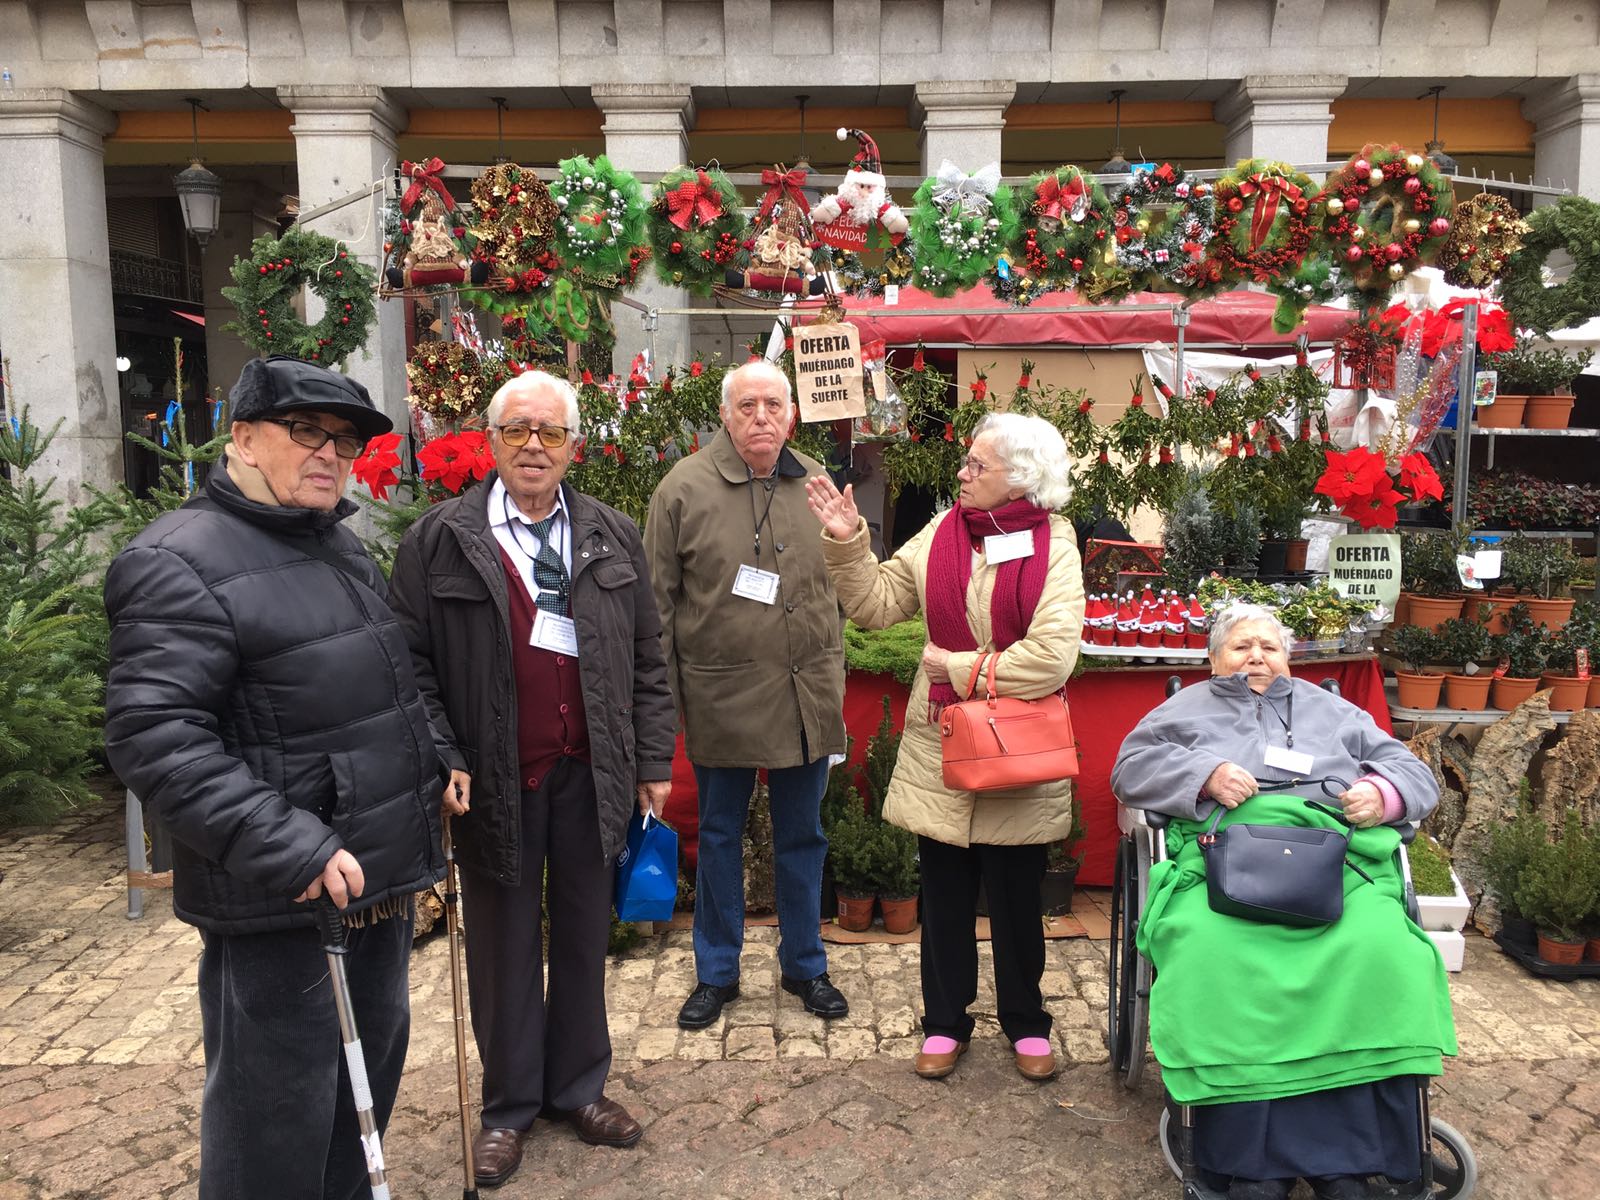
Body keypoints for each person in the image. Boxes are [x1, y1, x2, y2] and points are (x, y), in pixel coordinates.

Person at [102, 355, 444, 1200]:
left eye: (345, 441)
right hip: (285, 899)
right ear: (245, 439)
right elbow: (154, 737)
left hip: (374, 882)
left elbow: (390, 683)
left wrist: (437, 761)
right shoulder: (177, 560)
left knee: (356, 1100)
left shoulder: (334, 544)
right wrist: (288, 845)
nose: (331, 454)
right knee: (274, 1123)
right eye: (307, 433)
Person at [388, 369, 675, 1188]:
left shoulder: (613, 535)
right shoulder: (439, 539)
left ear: (575, 447)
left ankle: (579, 1089)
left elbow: (649, 661)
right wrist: (442, 756)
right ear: (491, 441)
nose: (534, 447)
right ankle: (509, 1107)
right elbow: (407, 667)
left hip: (595, 774)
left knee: (587, 937)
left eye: (550, 433)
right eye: (518, 431)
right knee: (505, 945)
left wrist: (653, 760)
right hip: (495, 782)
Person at [1111, 603, 1458, 1200]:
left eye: (1269, 647)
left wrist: (1382, 793)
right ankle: (1250, 1162)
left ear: (1288, 657)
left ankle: (1355, 1157)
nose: (1256, 657)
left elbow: (1411, 770)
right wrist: (1204, 773)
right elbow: (1129, 769)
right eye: (1241, 646)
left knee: (1384, 947)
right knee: (1207, 948)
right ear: (1214, 659)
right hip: (1223, 861)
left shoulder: (1334, 710)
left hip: (1335, 860)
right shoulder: (1183, 710)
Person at [805, 411, 1085, 1082]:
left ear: (1018, 478)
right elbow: (875, 604)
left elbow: (1052, 658)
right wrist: (847, 542)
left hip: (1017, 752)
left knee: (1017, 900)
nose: (961, 474)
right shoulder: (941, 533)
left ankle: (1026, 1023)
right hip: (944, 749)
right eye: (966, 462)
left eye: (975, 466)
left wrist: (957, 670)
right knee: (946, 893)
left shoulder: (1058, 542)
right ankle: (944, 1024)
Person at [645, 359, 849, 1030]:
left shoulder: (815, 481)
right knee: (722, 838)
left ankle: (806, 965)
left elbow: (849, 577)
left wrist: (856, 537)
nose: (761, 417)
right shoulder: (681, 489)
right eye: (747, 406)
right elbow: (657, 609)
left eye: (773, 404)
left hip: (803, 699)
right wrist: (662, 708)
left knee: (803, 837)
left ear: (791, 413)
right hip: (719, 699)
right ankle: (717, 972)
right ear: (724, 416)